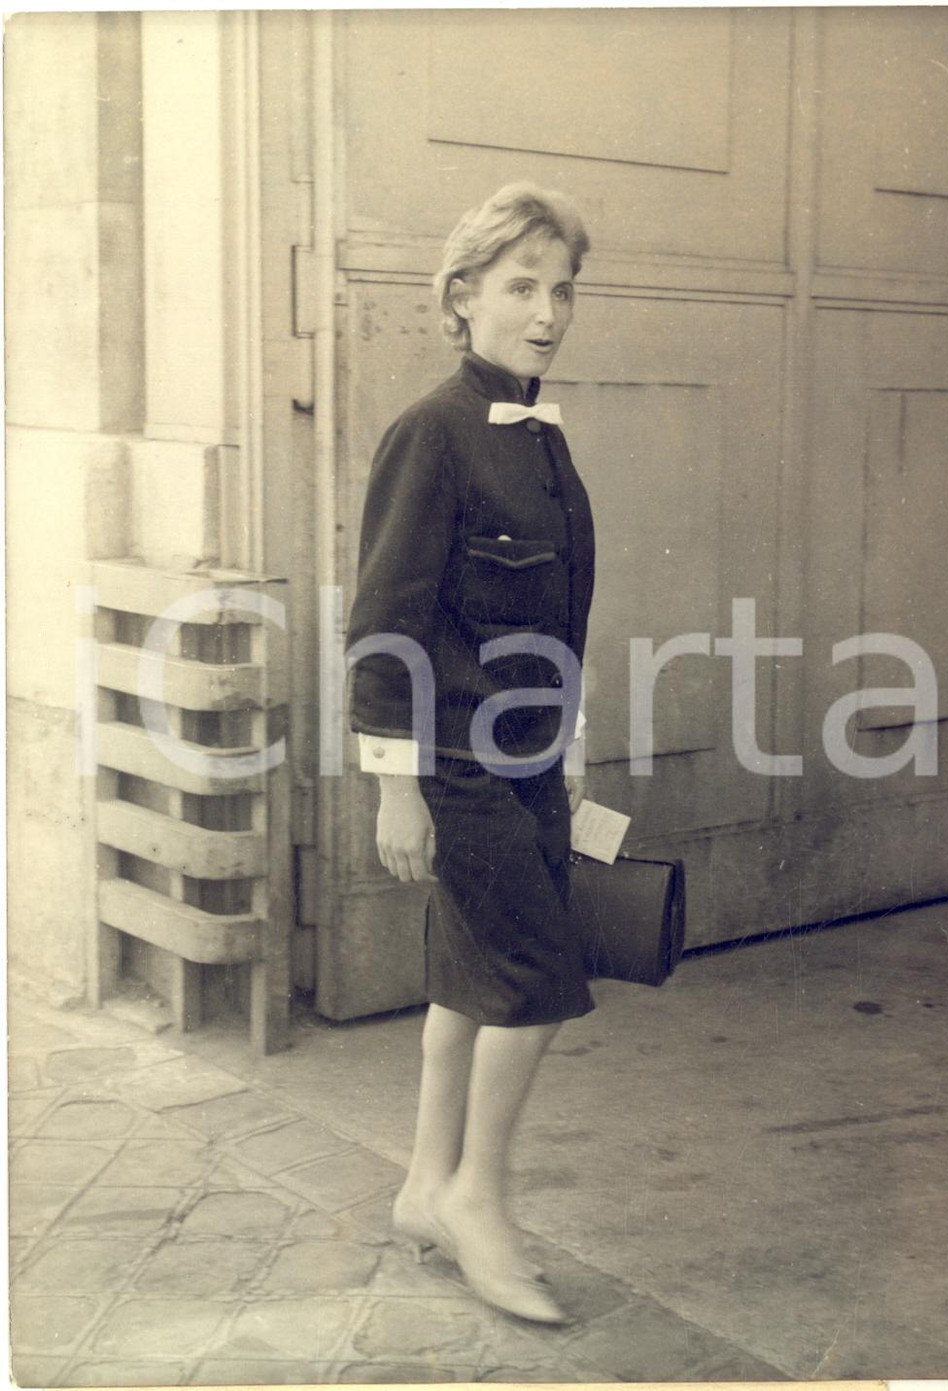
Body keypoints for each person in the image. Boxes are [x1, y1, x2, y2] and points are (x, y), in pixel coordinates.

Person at [347, 183, 595, 1323]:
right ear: (462, 298)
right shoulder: (433, 433)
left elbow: (555, 621)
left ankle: (422, 1184)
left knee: (464, 981)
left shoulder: (541, 439)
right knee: (534, 982)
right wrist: (398, 787)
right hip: (455, 764)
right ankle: (480, 1200)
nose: (546, 312)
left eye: (561, 289)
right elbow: (385, 619)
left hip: (533, 761)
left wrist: (570, 749)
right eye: (520, 286)